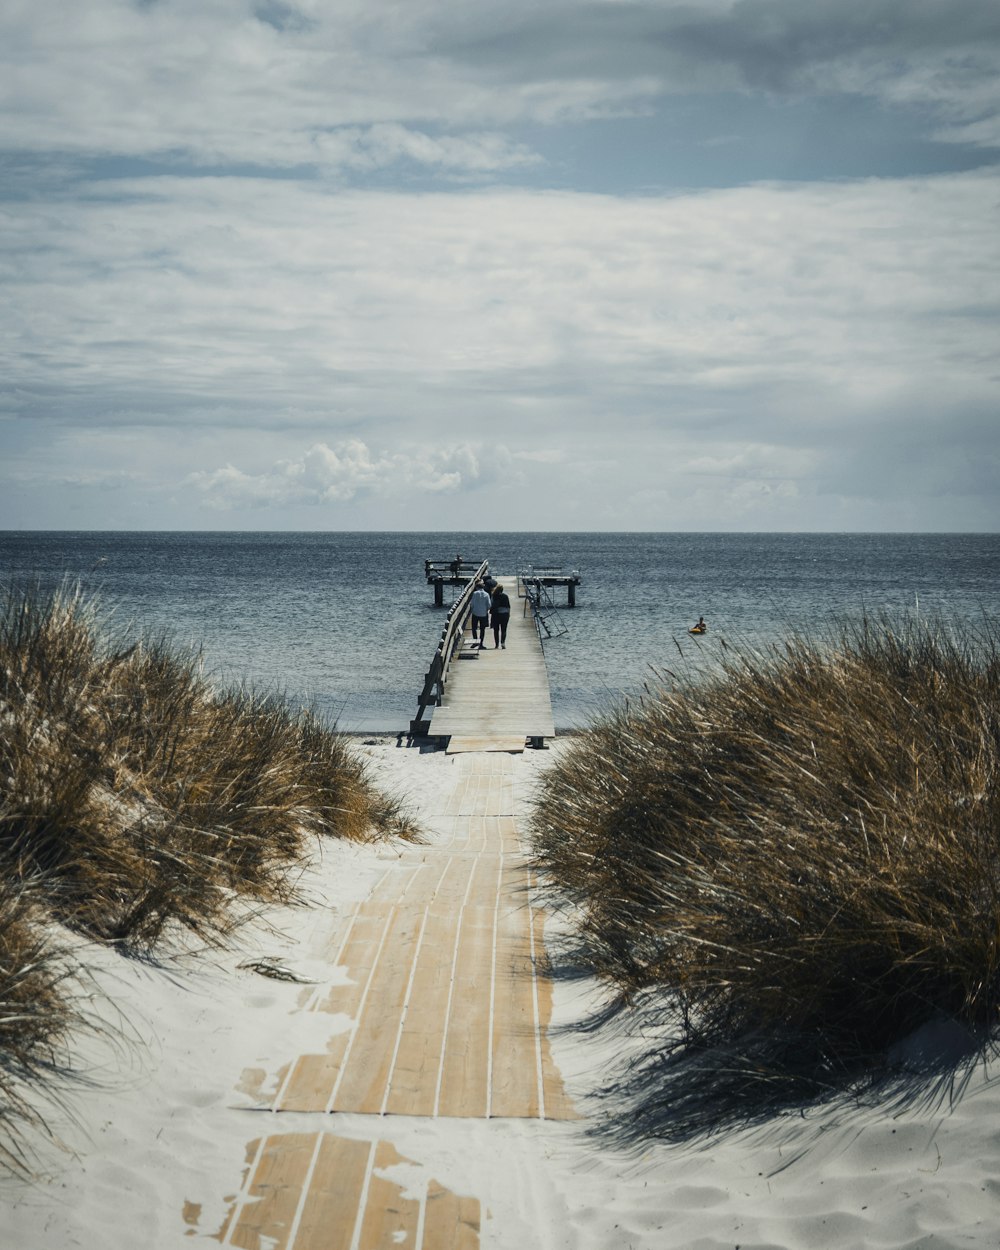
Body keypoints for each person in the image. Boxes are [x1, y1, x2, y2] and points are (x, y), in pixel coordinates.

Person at [469, 581, 491, 648]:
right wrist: (486, 610)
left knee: (474, 628)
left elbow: (472, 604)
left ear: (477, 587)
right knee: (482, 629)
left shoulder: (475, 593)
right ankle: (481, 644)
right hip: (483, 614)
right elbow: (489, 605)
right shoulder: (487, 594)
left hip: (475, 613)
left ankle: (475, 642)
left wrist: (472, 609)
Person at [490, 583, 512, 649]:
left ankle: (496, 644)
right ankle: (503, 643)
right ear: (502, 590)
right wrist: (509, 614)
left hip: (496, 614)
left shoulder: (494, 595)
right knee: (504, 629)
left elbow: (491, 604)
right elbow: (508, 606)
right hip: (504, 614)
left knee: (496, 630)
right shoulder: (505, 596)